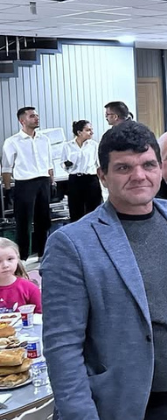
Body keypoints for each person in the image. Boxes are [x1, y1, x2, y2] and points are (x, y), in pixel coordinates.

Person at [42, 121, 167, 420]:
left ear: (159, 168)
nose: (139, 176)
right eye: (124, 168)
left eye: (148, 165)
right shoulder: (72, 244)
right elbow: (62, 347)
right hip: (129, 407)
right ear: (102, 176)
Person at [1, 107, 54, 260]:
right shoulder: (12, 142)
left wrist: (52, 183)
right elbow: (6, 168)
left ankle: (43, 255)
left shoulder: (44, 139)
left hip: (43, 182)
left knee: (43, 221)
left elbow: (49, 164)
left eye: (37, 115)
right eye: (32, 116)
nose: (36, 118)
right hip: (25, 184)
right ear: (22, 121)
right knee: (23, 223)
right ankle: (23, 258)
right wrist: (8, 189)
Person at [62, 119, 102, 221]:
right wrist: (67, 165)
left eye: (91, 129)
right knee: (75, 211)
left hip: (91, 179)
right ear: (79, 132)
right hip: (75, 180)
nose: (91, 132)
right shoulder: (68, 146)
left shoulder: (94, 145)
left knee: (93, 210)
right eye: (88, 130)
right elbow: (62, 163)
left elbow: (99, 164)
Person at [0, 238, 42, 313]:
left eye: (10, 259)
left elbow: (41, 315)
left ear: (17, 259)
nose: (5, 265)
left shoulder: (30, 288)